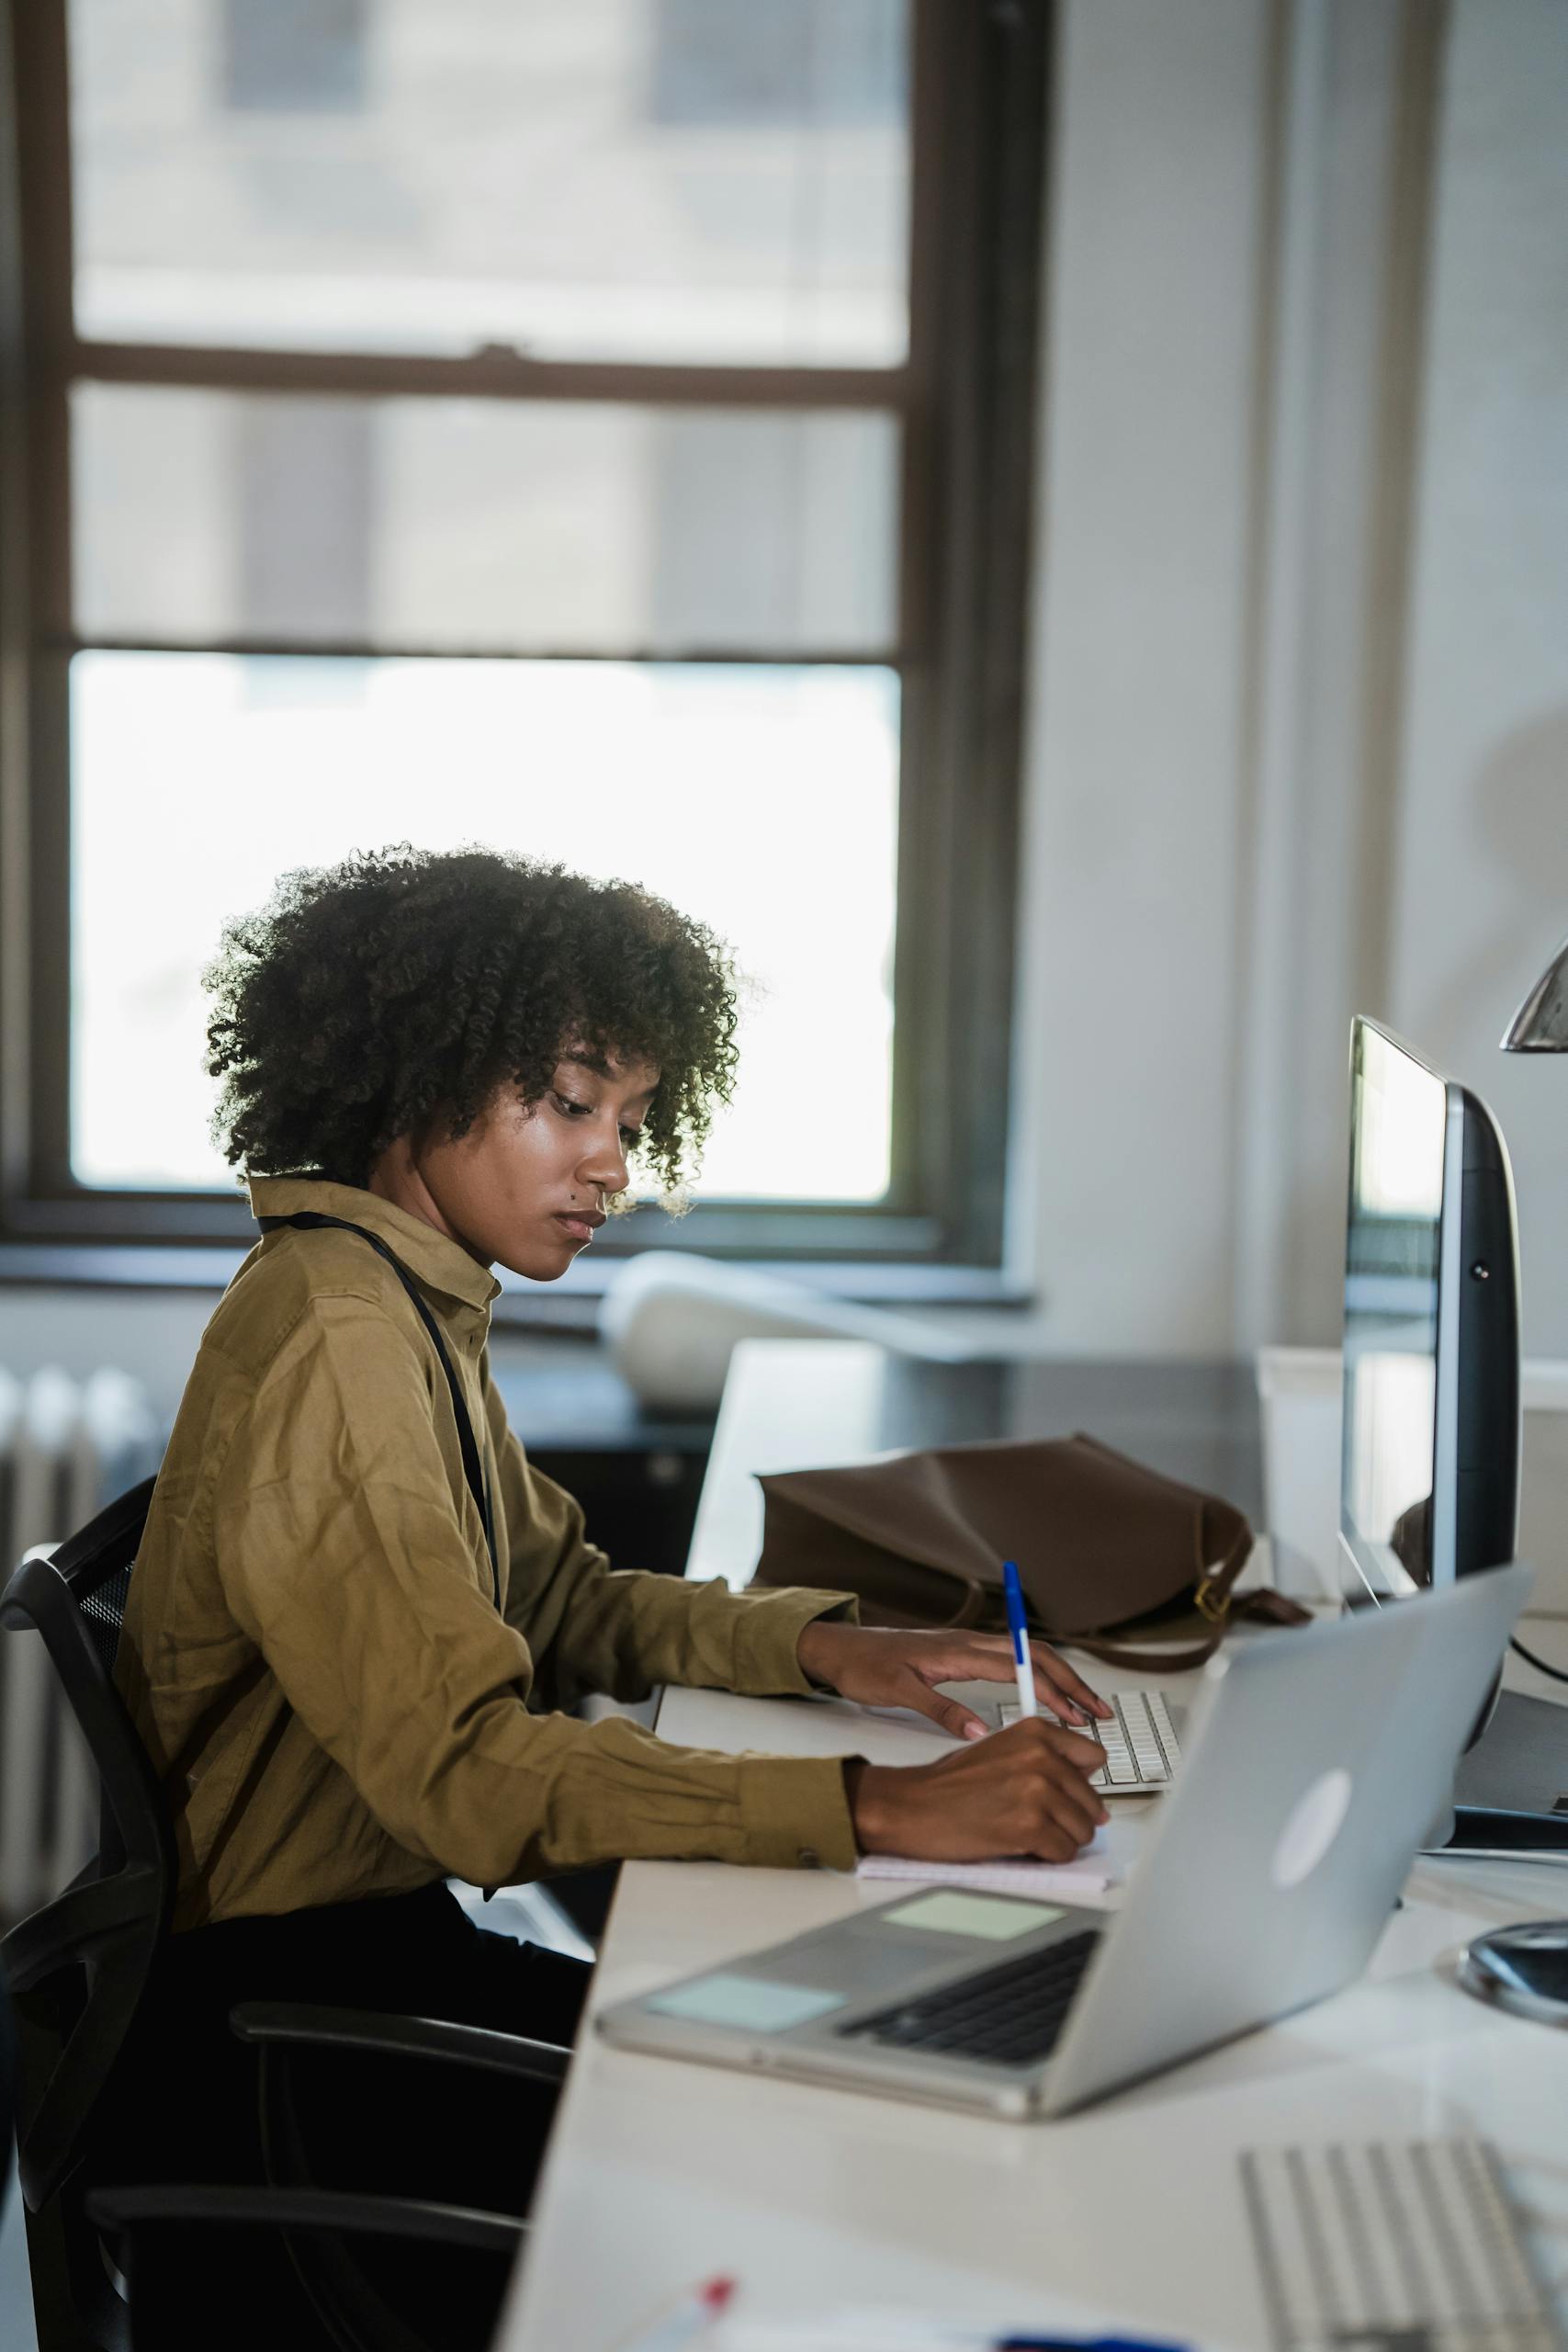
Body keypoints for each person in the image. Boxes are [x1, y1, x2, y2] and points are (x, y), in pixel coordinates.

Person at [104, 845, 1111, 2346]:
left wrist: (838, 1649)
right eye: (568, 1106)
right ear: (416, 1080)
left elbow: (561, 1594)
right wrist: (883, 1809)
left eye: (629, 1120)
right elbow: (466, 1778)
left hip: (353, 1967)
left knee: (827, 2066)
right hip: (275, 2052)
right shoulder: (341, 1344)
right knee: (819, 2139)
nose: (612, 1168)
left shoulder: (399, 1295)